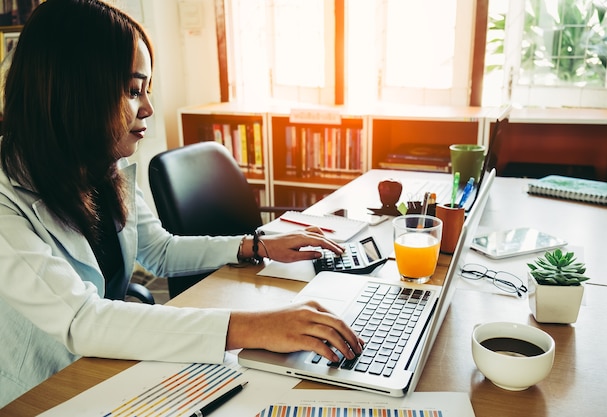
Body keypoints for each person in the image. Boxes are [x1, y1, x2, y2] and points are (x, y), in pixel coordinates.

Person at [0, 0, 362, 406]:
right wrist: (257, 327)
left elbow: (159, 250)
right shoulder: (4, 199)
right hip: (41, 392)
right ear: (76, 91)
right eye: (134, 90)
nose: (149, 108)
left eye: (147, 89)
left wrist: (256, 246)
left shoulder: (100, 167)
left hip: (109, 368)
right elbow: (82, 319)